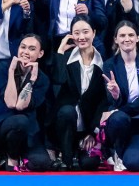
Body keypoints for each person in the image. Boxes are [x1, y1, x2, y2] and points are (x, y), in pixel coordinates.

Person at [0, 33, 52, 172]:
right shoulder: (4, 68)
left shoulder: (42, 79)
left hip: (27, 131)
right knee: (20, 121)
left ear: (40, 53)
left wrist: (31, 80)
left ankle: (20, 155)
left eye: (32, 49)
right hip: (2, 125)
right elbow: (11, 103)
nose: (25, 52)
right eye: (23, 47)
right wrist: (11, 72)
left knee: (42, 163)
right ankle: (11, 157)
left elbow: (21, 105)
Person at [100, 21, 139, 172]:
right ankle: (116, 152)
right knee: (118, 118)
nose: (127, 39)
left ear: (137, 38)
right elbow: (111, 101)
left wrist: (117, 110)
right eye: (122, 35)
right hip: (120, 124)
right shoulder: (109, 65)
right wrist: (116, 94)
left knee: (134, 163)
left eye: (131, 35)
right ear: (116, 39)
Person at [51, 17, 107, 170]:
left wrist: (92, 132)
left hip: (87, 128)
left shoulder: (103, 62)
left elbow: (103, 101)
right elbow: (58, 80)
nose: (81, 37)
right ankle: (66, 157)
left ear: (94, 33)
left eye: (85, 32)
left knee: (90, 164)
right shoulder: (65, 58)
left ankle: (78, 153)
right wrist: (60, 51)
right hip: (65, 125)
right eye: (76, 33)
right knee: (67, 111)